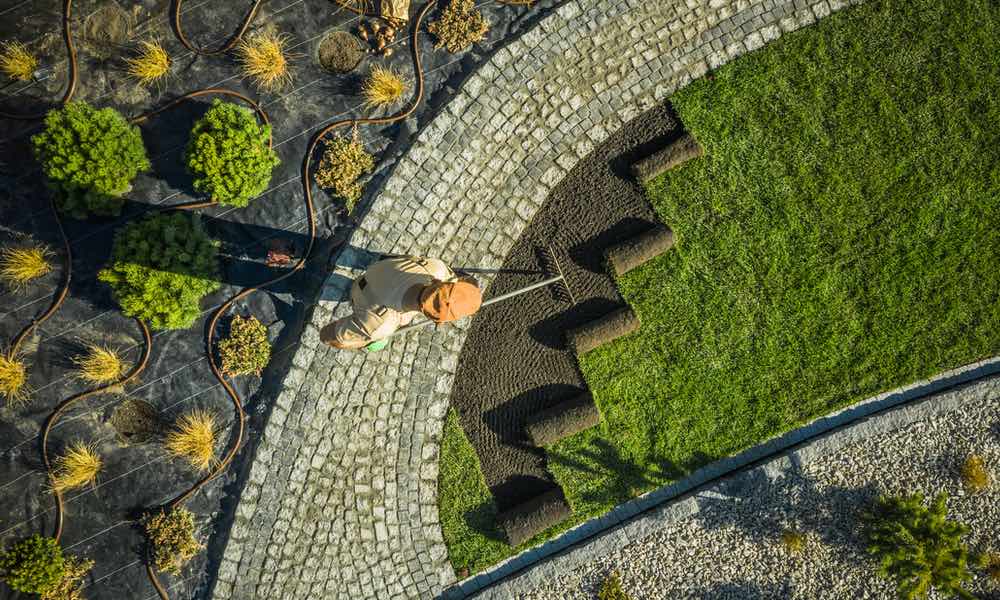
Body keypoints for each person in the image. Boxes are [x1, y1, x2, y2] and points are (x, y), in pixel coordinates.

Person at [320, 255, 482, 351]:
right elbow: (327, 336)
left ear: (439, 282)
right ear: (435, 320)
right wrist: (364, 341)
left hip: (374, 274)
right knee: (377, 342)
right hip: (357, 295)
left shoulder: (437, 268)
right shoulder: (382, 325)